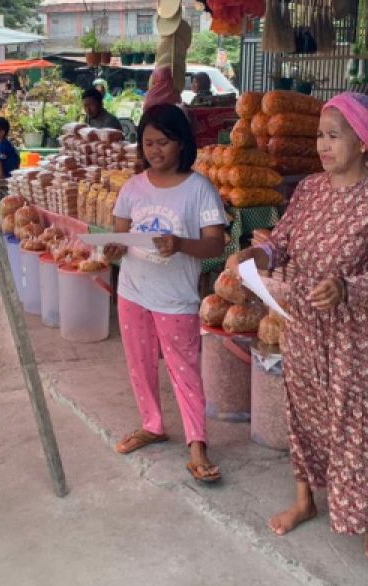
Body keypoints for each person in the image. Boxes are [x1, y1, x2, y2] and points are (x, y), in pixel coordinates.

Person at [226, 92, 368, 560]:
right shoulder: (310, 189)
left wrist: (347, 288)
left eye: (333, 136)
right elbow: (283, 243)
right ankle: (305, 500)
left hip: (359, 337)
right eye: (320, 134)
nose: (322, 144)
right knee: (305, 410)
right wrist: (256, 254)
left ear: (362, 142)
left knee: (358, 422)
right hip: (305, 325)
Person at [103, 103, 227, 484]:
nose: (155, 151)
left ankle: (197, 444)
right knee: (139, 363)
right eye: (148, 142)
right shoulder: (132, 187)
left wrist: (180, 244)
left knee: (184, 370)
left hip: (175, 298)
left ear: (182, 144)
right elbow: (120, 233)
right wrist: (112, 249)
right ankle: (152, 424)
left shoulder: (200, 189)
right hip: (133, 291)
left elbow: (216, 245)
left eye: (164, 142)